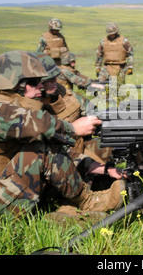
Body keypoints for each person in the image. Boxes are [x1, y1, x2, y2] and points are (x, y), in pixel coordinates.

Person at [0, 50, 125, 216]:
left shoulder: (10, 106)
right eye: (34, 82)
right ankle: (89, 202)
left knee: (45, 146)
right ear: (17, 84)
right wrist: (72, 128)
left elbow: (59, 152)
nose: (41, 86)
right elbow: (38, 127)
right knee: (41, 149)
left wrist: (104, 168)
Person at [36, 52, 117, 188]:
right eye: (49, 80)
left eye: (55, 78)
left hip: (77, 149)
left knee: (109, 144)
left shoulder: (63, 92)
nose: (55, 82)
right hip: (52, 158)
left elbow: (93, 110)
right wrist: (72, 129)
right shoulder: (28, 106)